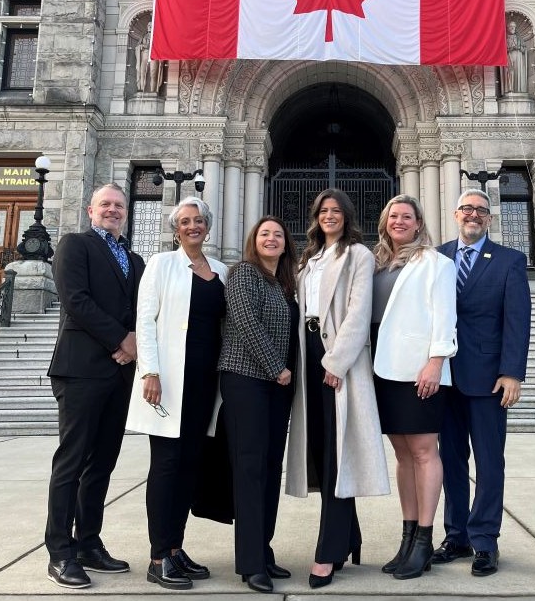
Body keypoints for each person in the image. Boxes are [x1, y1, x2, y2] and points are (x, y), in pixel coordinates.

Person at [286, 189, 389, 589]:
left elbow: (359, 311)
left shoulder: (359, 256)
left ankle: (328, 551)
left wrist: (336, 362)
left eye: (336, 211)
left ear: (347, 217)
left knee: (337, 456)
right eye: (323, 210)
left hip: (337, 358)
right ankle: (350, 537)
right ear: (315, 217)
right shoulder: (307, 260)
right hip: (307, 352)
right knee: (323, 450)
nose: (330, 216)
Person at [45, 184, 145, 589]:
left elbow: (144, 309)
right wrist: (121, 339)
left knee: (102, 463)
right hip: (81, 369)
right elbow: (76, 300)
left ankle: (88, 542)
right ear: (91, 210)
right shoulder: (74, 245)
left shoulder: (135, 260)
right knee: (71, 462)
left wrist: (135, 338)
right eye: (105, 204)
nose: (113, 210)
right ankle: (59, 551)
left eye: (119, 205)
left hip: (119, 374)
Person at [125, 197, 228, 590]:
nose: (192, 226)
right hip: (168, 382)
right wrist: (149, 370)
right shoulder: (161, 265)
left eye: (198, 220)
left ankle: (175, 549)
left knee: (190, 466)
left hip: (205, 384)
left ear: (208, 225)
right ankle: (157, 556)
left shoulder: (219, 270)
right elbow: (145, 321)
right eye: (185, 221)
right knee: (167, 467)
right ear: (175, 228)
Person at [434, 188, 530, 577]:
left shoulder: (509, 260)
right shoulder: (437, 257)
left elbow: (517, 320)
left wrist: (512, 373)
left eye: (480, 210)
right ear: (456, 215)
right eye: (466, 209)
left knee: (489, 463)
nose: (473, 215)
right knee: (450, 461)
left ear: (489, 219)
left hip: (489, 379)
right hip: (442, 378)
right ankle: (456, 536)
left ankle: (485, 541)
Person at [371, 194, 457, 580]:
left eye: (407, 216)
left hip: (419, 370)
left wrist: (436, 361)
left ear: (419, 224)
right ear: (385, 222)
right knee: (403, 455)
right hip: (383, 369)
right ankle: (407, 538)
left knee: (424, 452)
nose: (400, 221)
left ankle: (424, 539)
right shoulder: (377, 262)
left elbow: (445, 314)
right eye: (394, 216)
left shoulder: (436, 263)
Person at [219, 216, 298, 594]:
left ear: (286, 244)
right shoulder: (243, 274)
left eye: (278, 235)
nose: (271, 239)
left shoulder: (286, 284)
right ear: (254, 240)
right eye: (265, 234)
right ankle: (250, 564)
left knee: (269, 468)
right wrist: (277, 368)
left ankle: (263, 551)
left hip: (278, 385)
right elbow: (246, 322)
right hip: (245, 380)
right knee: (249, 469)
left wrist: (287, 375)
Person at [135, 22, 164, 93]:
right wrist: (140, 47)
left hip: (154, 56)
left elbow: (160, 47)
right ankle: (141, 88)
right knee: (142, 72)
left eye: (151, 25)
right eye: (148, 25)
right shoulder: (143, 36)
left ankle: (153, 90)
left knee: (153, 73)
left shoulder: (157, 36)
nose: (149, 26)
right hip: (144, 56)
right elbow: (137, 46)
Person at [501, 20, 528, 94]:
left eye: (514, 26)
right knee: (509, 71)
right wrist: (510, 48)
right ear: (508, 28)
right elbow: (502, 48)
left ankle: (519, 89)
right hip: (508, 55)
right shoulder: (505, 37)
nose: (512, 28)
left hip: (518, 56)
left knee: (517, 71)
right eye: (511, 27)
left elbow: (524, 49)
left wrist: (519, 48)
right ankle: (510, 88)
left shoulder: (519, 38)